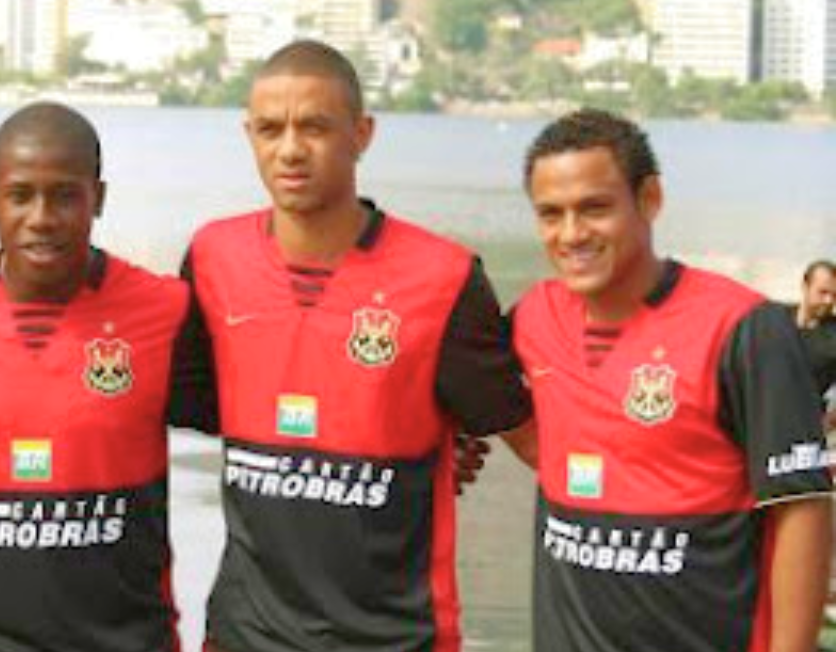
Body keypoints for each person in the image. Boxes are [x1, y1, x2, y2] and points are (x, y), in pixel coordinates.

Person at [177, 39, 535, 652]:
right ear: (249, 134)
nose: (290, 149)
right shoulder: (213, 258)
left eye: (314, 126)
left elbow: (539, 445)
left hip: (392, 639)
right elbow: (198, 405)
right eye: (270, 129)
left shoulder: (442, 278)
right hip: (242, 635)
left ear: (362, 133)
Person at [513, 108, 832, 652]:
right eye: (551, 214)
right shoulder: (531, 318)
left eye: (595, 208)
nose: (571, 234)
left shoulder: (744, 328)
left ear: (650, 199)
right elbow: (457, 379)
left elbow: (802, 508)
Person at [0, 102, 210, 652]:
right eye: (21, 194)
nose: (42, 216)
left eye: (65, 195)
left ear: (97, 198)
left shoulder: (165, 309)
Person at [788, 260, 836, 410]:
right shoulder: (775, 321)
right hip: (764, 419)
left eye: (835, 295)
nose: (829, 301)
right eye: (823, 292)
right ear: (805, 286)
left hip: (808, 424)